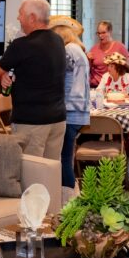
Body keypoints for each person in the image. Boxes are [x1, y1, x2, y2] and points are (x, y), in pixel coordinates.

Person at [0, 0, 66, 160]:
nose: (18, 18)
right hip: (58, 119)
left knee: (31, 174)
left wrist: (4, 74)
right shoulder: (58, 41)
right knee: (51, 170)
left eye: (20, 14)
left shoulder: (21, 45)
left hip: (31, 122)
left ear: (32, 18)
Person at [50, 16, 90, 204]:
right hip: (79, 111)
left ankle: (69, 199)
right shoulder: (79, 50)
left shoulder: (67, 51)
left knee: (64, 158)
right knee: (67, 156)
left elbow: (53, 73)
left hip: (70, 111)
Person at [88, 21, 129, 88]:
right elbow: (87, 70)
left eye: (103, 33)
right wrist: (88, 60)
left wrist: (120, 62)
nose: (100, 36)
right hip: (95, 86)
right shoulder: (94, 49)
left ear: (110, 32)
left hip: (113, 86)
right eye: (98, 33)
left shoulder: (120, 47)